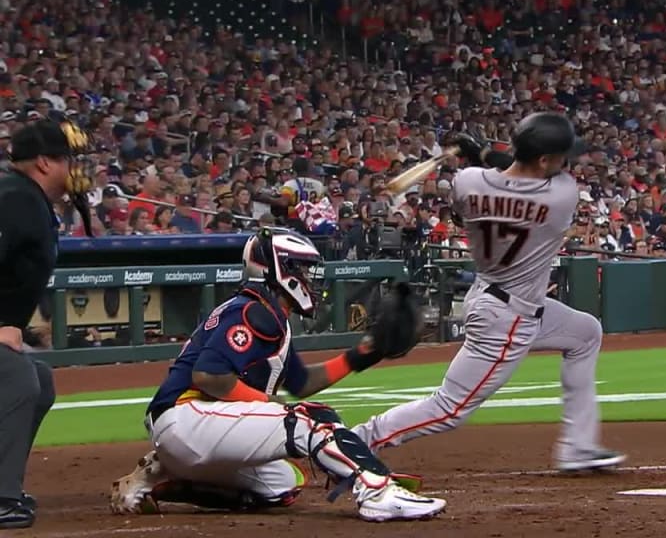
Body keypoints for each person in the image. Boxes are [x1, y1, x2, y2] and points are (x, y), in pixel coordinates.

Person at [108, 227, 446, 522]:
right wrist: (273, 408)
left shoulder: (265, 313)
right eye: (302, 268)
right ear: (279, 270)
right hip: (186, 417)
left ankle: (160, 479)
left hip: (189, 434)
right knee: (313, 419)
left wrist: (365, 354)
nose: (311, 277)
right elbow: (209, 376)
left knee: (282, 485)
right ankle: (377, 493)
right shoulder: (255, 310)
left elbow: (301, 383)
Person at [351, 113, 627, 471]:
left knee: (585, 333)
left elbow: (503, 172)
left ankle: (578, 447)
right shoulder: (562, 196)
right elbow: (517, 172)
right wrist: (482, 151)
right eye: (560, 156)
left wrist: (478, 156)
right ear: (544, 160)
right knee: (450, 407)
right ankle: (358, 439)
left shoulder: (467, 182)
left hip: (492, 294)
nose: (566, 162)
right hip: (510, 318)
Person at [0, 119, 89, 528]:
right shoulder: (14, 198)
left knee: (38, 378)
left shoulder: (25, 196)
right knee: (19, 377)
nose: (74, 168)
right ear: (41, 163)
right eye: (66, 159)